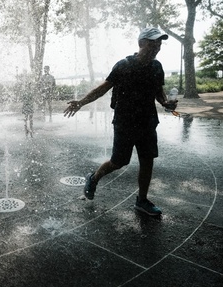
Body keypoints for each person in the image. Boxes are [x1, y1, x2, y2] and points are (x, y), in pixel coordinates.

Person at [63, 27, 178, 216]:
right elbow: (104, 87)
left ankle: (142, 200)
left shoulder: (157, 67)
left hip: (148, 121)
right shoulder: (124, 65)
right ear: (141, 43)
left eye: (159, 43)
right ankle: (94, 177)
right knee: (119, 161)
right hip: (125, 122)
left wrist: (166, 103)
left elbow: (158, 90)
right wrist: (82, 102)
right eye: (152, 43)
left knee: (147, 160)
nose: (157, 47)